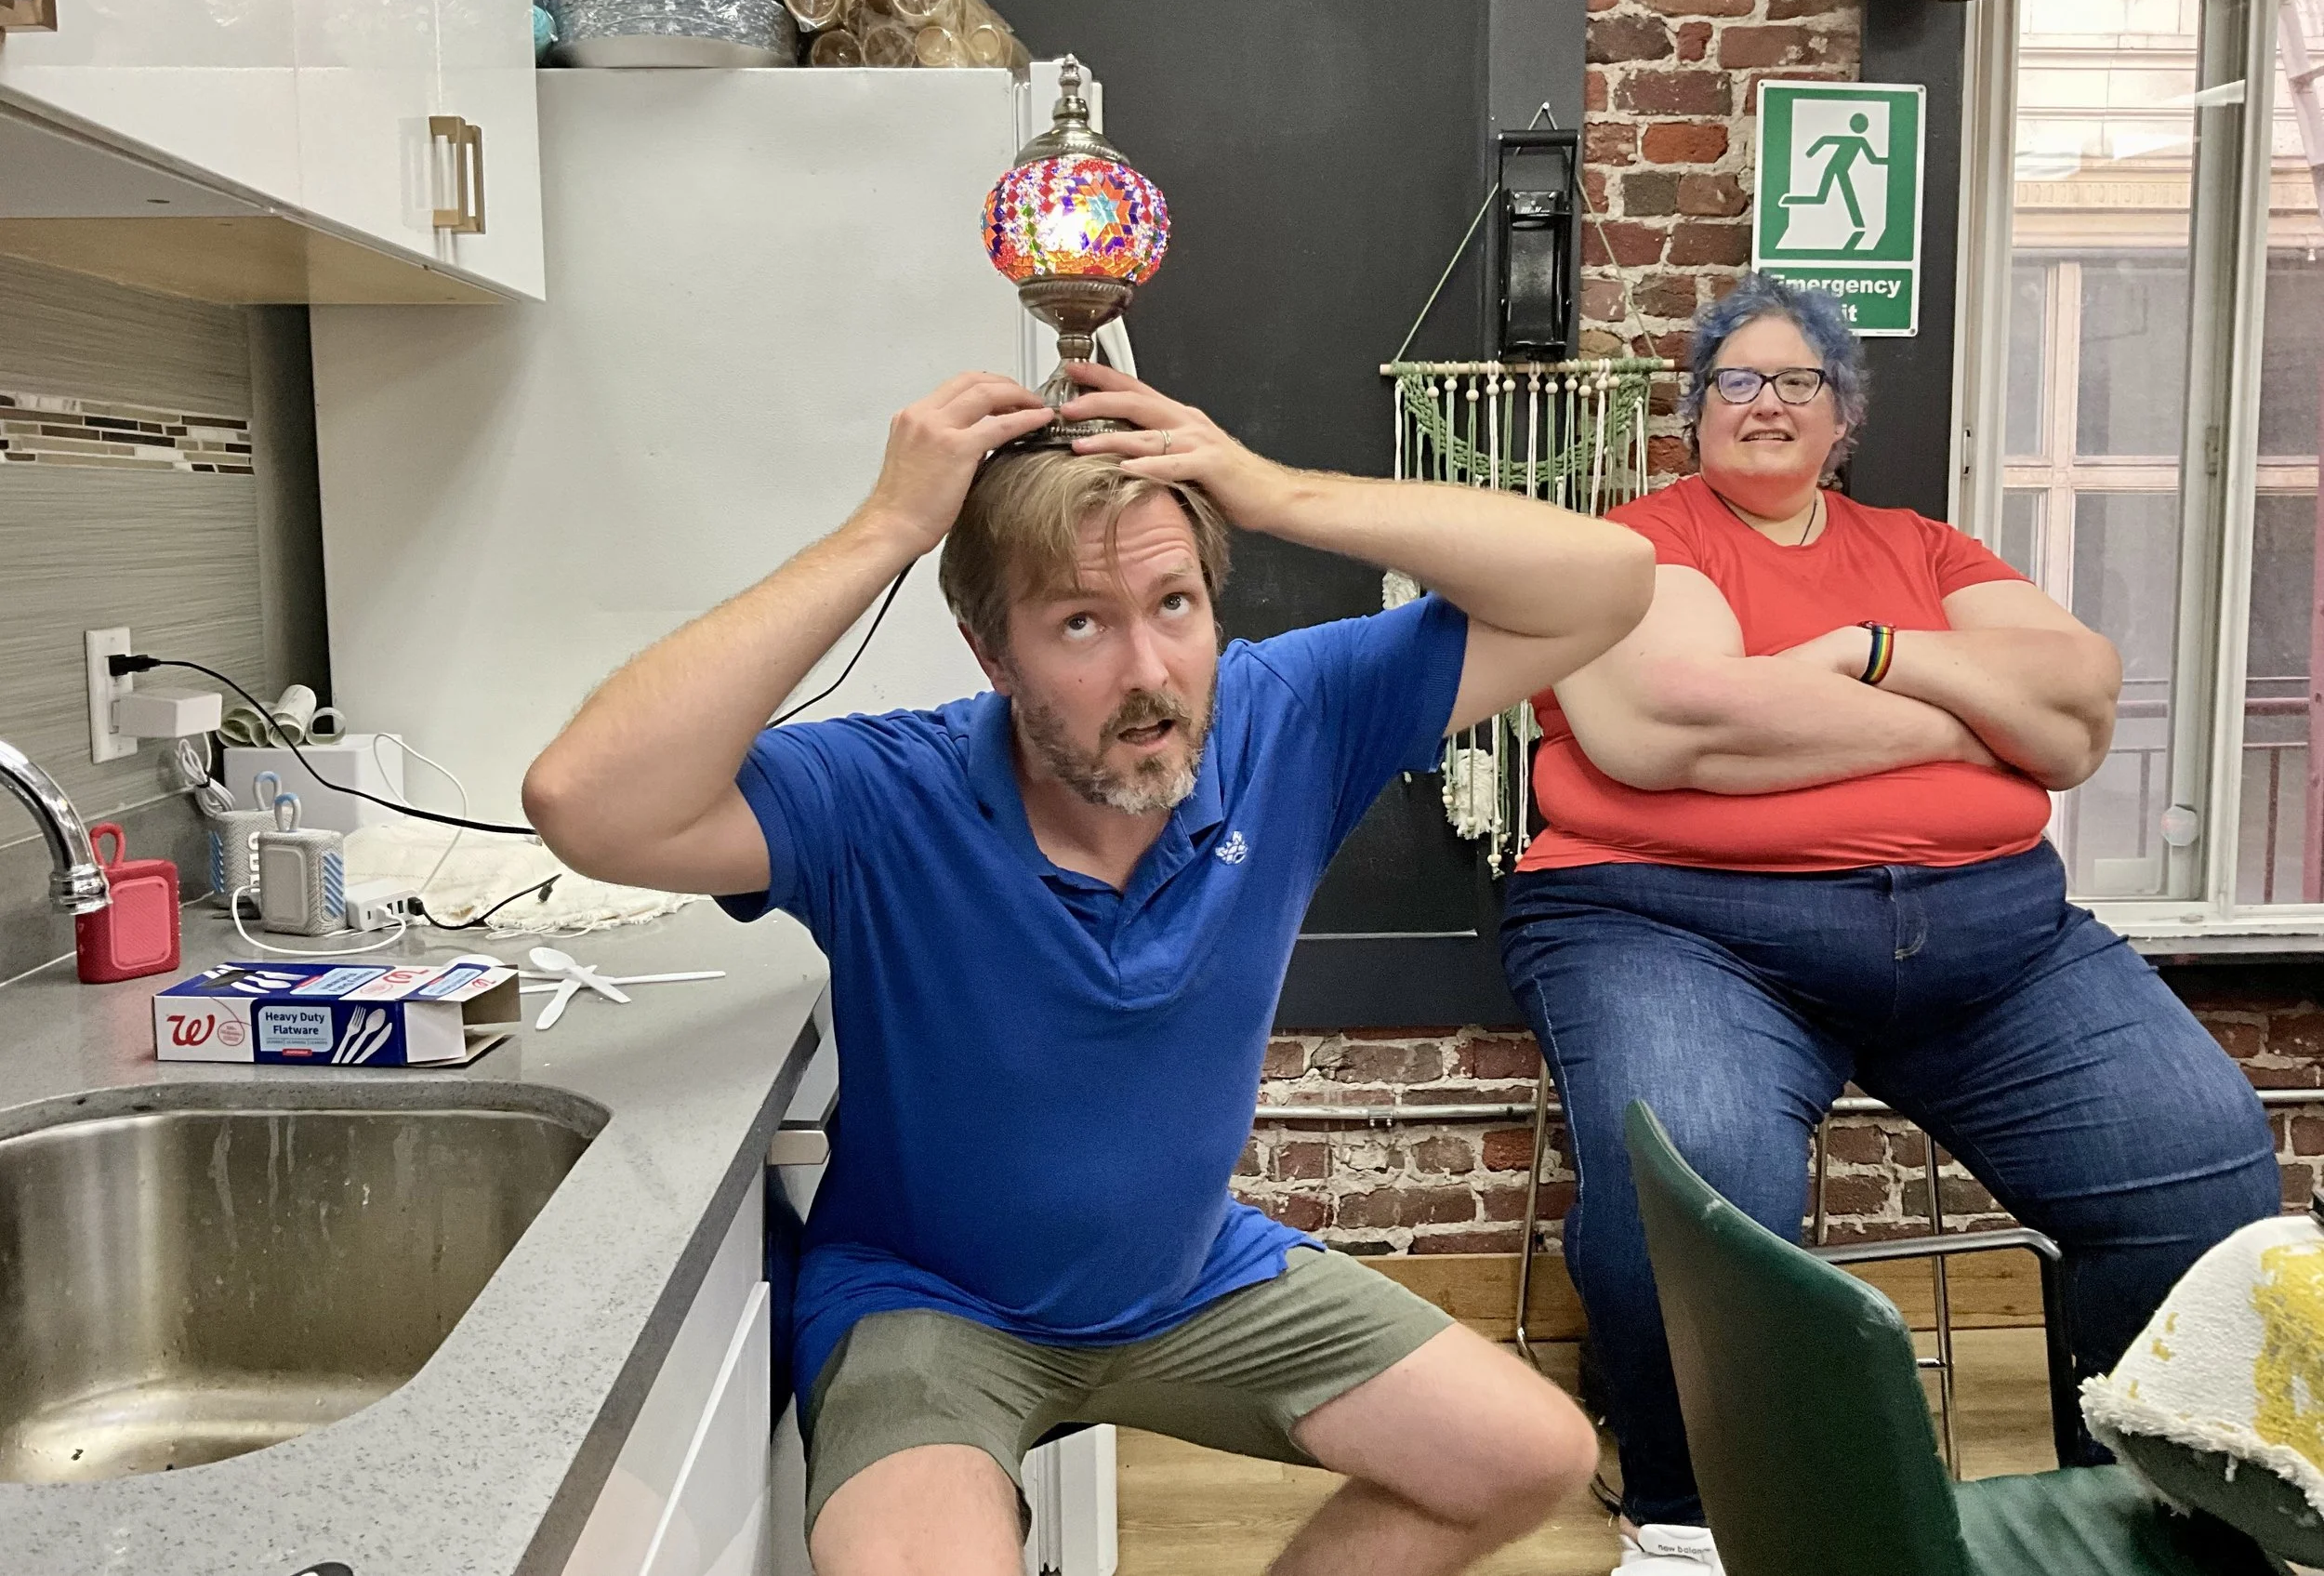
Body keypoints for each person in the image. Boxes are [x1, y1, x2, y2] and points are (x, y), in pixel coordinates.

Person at [523, 360, 1656, 1576]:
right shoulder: (883, 793)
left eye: (1176, 604)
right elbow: (584, 801)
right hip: (931, 1302)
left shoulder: (1284, 720)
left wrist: (1272, 491)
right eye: (1079, 623)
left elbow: (1609, 583)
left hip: (1187, 1278)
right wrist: (885, 528)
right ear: (989, 652)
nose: (1149, 672)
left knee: (1528, 1451)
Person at [1498, 274, 2279, 1576]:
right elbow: (1673, 723)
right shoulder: (1643, 545)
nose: (1765, 402)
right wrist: (1980, 720)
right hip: (1678, 922)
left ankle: (2147, 1513)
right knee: (1705, 1192)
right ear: (1692, 417)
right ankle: (1691, 1528)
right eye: (1734, 380)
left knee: (2197, 1152)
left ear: (1842, 415)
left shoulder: (1924, 552)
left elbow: (2082, 700)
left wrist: (1868, 652)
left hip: (1990, 935)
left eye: (1797, 379)